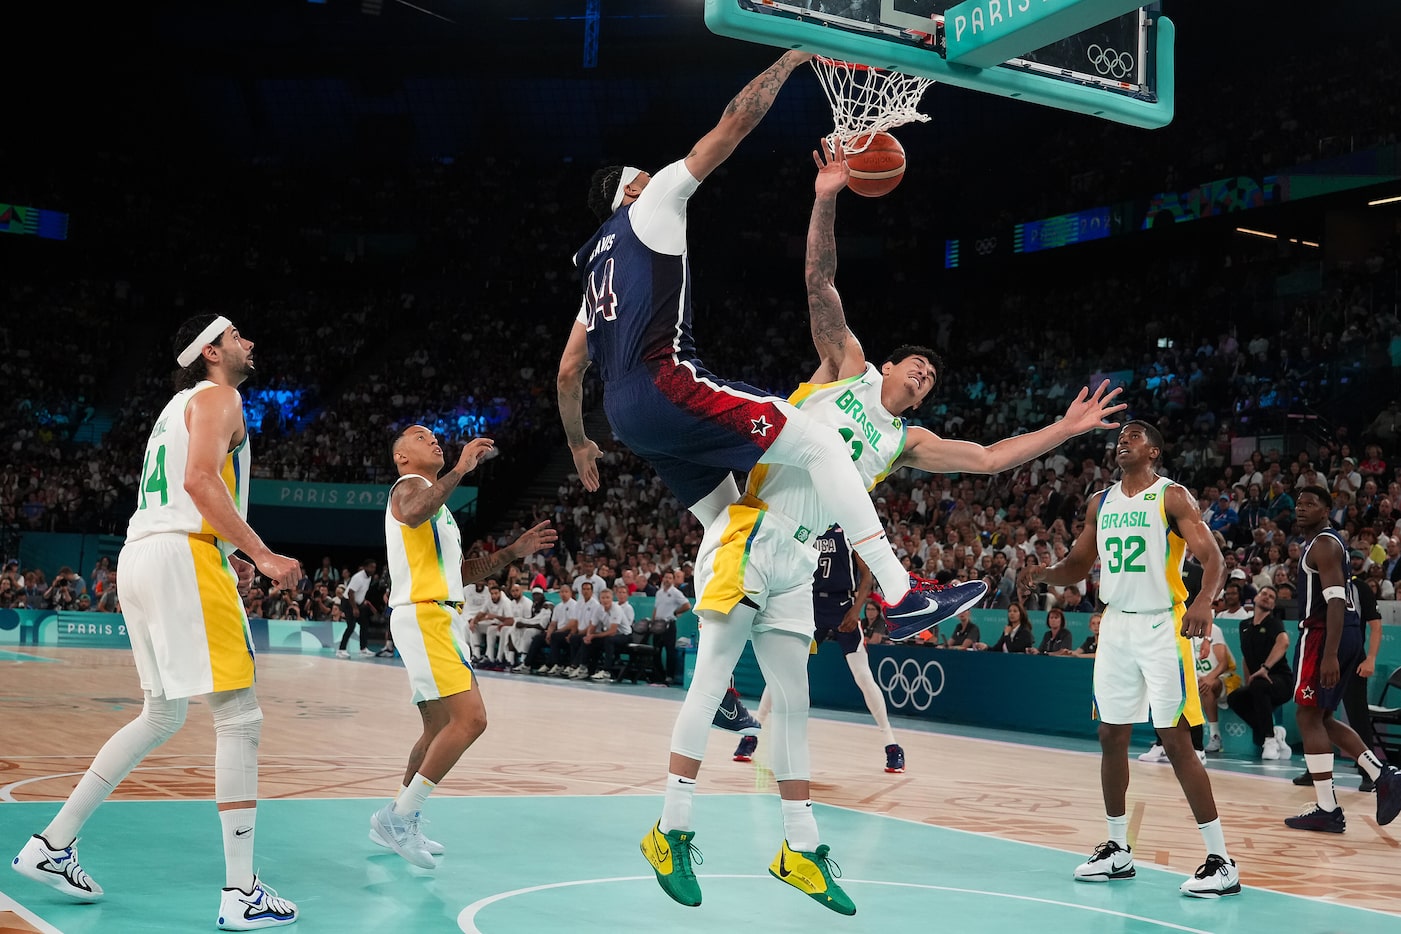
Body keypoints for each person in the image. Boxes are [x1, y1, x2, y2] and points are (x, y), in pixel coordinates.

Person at [636, 146, 1125, 917]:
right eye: (915, 370)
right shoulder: (848, 367)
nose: (921, 380)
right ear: (890, 365)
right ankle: (671, 826)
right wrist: (828, 194)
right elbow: (818, 284)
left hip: (801, 562)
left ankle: (797, 849)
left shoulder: (906, 442)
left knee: (792, 705)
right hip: (750, 534)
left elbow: (992, 459)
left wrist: (1063, 429)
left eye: (931, 380)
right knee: (711, 679)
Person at [557, 51, 971, 638]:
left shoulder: (594, 266)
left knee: (730, 523)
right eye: (641, 175)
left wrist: (578, 444)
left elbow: (569, 372)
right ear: (629, 191)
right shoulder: (650, 204)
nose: (653, 175)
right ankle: (902, 594)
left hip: (625, 417)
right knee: (825, 447)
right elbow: (733, 123)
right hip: (668, 385)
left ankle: (717, 667)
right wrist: (793, 56)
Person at [11, 314, 301, 929]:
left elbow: (186, 485)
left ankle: (51, 845)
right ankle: (240, 891)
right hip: (181, 556)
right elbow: (199, 481)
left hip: (141, 556)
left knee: (162, 712)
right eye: (239, 335)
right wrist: (262, 554)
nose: (250, 341)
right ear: (213, 351)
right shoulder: (223, 395)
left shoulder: (176, 405)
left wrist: (227, 551)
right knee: (240, 715)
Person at [1025, 419, 1239, 897]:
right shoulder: (1099, 503)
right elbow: (1080, 564)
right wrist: (1045, 575)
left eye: (1135, 436)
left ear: (1154, 453)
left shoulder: (1172, 496)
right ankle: (1118, 850)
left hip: (1164, 623)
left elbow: (1214, 559)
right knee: (1110, 735)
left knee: (1175, 738)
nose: (1123, 439)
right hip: (1116, 624)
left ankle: (1222, 860)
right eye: (1120, 436)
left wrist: (1204, 601)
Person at [370, 425, 557, 868]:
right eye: (420, 437)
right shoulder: (410, 488)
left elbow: (460, 572)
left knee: (437, 727)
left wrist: (511, 552)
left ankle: (393, 820)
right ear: (401, 458)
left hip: (439, 612)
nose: (433, 439)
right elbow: (414, 512)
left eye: (434, 436)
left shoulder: (436, 504)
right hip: (426, 614)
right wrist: (460, 468)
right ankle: (401, 815)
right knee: (471, 719)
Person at [732, 527, 907, 773]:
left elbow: (867, 577)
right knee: (785, 671)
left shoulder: (847, 528)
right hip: (810, 605)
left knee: (863, 676)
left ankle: (892, 744)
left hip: (842, 605)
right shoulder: (810, 526)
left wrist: (856, 610)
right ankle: (752, 734)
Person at [1281, 486, 1401, 832]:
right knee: (1322, 717)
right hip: (1339, 634)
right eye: (1299, 502)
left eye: (1311, 503)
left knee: (1307, 716)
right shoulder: (1322, 543)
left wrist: (1329, 653)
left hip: (1323, 634)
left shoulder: (1323, 543)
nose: (1302, 508)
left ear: (1327, 509)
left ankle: (1327, 807)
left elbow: (1335, 601)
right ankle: (1382, 774)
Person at [1226, 585, 1294, 759]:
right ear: (1255, 598)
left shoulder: (1274, 623)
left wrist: (1265, 668)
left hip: (1281, 681)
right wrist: (1248, 681)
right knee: (1235, 698)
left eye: (1271, 597)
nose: (1266, 597)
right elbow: (1246, 657)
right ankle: (1272, 733)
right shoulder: (1244, 626)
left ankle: (1269, 740)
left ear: (1273, 605)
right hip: (1259, 683)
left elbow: (1284, 642)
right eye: (1264, 594)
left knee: (1258, 685)